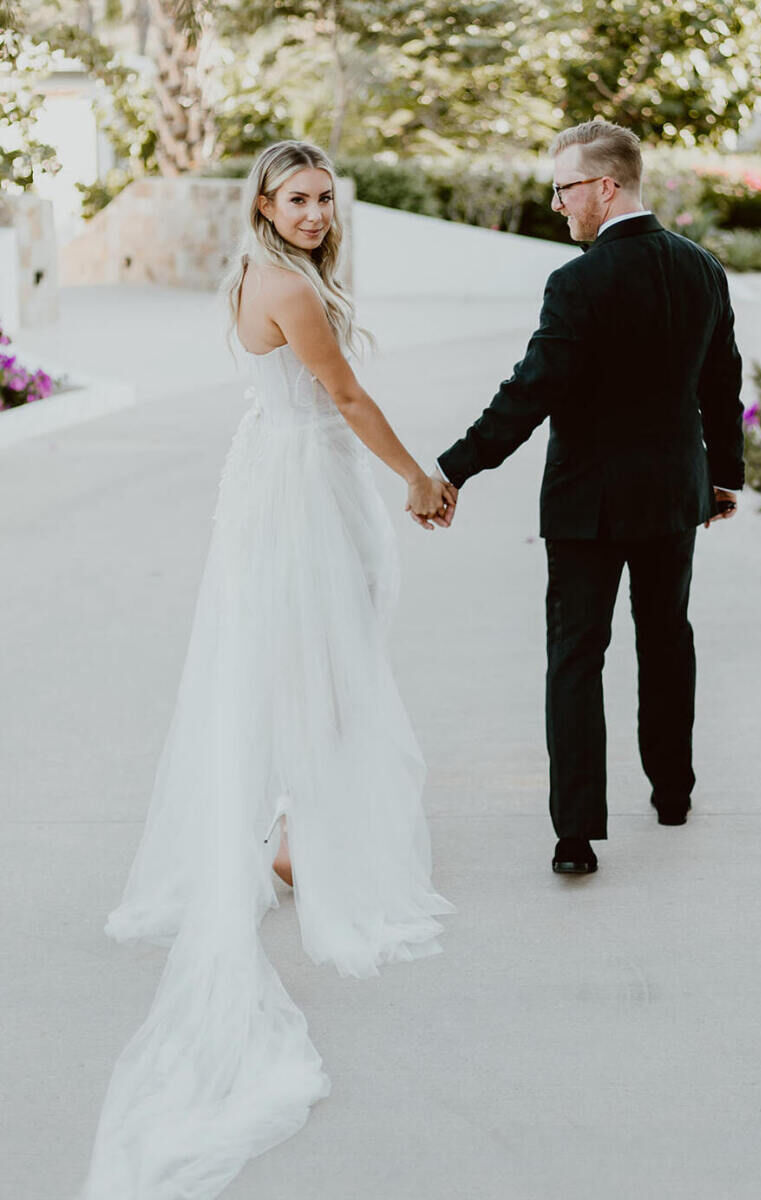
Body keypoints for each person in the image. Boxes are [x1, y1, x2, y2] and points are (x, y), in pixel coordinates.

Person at [75, 140, 454, 1200]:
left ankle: (290, 833)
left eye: (327, 199)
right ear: (263, 202)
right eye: (298, 198)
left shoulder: (264, 270)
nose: (316, 213)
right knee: (322, 662)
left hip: (280, 474)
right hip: (299, 485)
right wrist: (420, 476)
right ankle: (301, 839)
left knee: (310, 657)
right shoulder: (285, 283)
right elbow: (342, 396)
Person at [435, 120, 744, 877]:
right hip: (675, 495)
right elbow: (723, 385)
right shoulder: (702, 269)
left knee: (576, 655)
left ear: (607, 186)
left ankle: (576, 836)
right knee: (667, 635)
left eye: (565, 188)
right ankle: (673, 793)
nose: (557, 205)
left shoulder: (577, 283)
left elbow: (533, 391)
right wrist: (724, 476)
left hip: (588, 508)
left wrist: (453, 469)